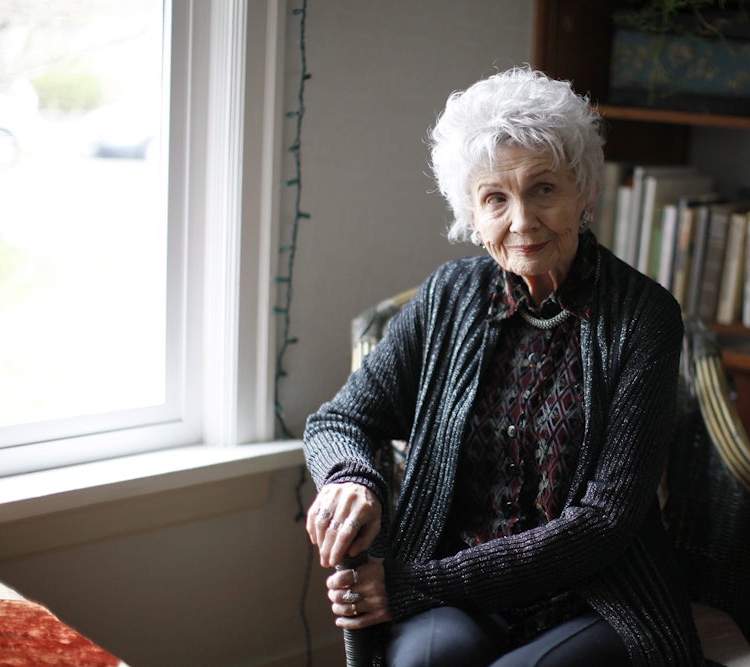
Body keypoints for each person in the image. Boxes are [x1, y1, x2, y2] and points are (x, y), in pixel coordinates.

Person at [302, 66, 704, 666]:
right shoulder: (449, 297)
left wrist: (416, 585)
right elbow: (339, 421)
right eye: (496, 198)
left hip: (598, 593)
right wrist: (350, 479)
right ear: (471, 213)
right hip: (456, 592)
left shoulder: (643, 317)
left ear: (584, 192)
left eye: (544, 189)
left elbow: (606, 522)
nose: (522, 221)